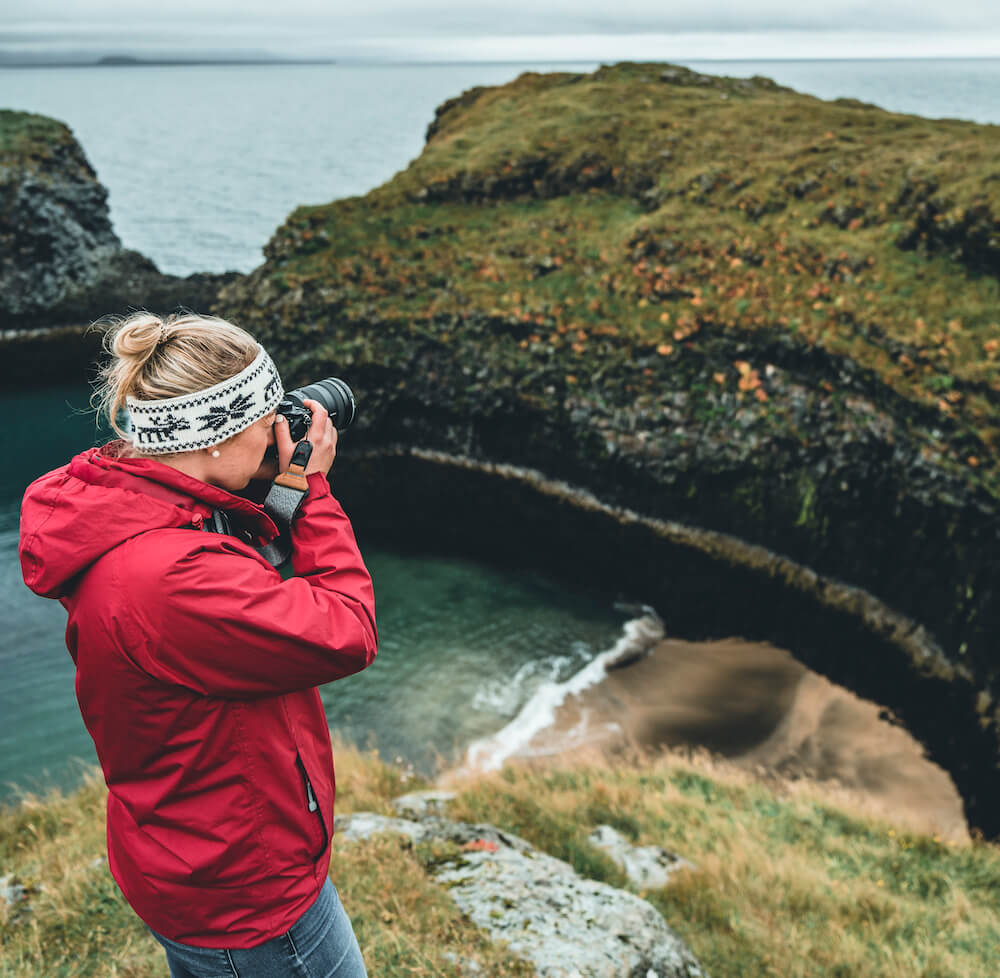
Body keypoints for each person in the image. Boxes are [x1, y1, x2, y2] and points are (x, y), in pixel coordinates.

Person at [19, 311, 377, 978]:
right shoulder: (169, 579)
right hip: (245, 890)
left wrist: (285, 490)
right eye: (265, 416)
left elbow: (228, 569)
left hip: (189, 845)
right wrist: (318, 492)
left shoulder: (129, 503)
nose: (279, 429)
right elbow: (347, 629)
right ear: (214, 439)